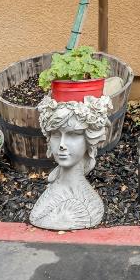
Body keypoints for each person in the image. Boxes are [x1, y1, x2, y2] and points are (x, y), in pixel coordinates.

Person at [29, 95, 111, 231]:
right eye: (56, 134)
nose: (62, 145)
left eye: (73, 135)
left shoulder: (84, 207)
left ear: (89, 140)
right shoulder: (55, 187)